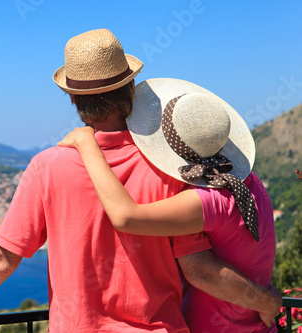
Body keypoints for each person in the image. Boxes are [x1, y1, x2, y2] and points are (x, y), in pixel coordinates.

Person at [0, 29, 280, 332]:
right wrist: (264, 301)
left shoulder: (48, 166)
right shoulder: (171, 170)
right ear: (132, 90)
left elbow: (3, 259)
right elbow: (197, 265)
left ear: (72, 97)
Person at [58, 77, 281, 332]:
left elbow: (126, 217)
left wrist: (87, 143)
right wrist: (265, 300)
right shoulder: (250, 183)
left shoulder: (203, 200)